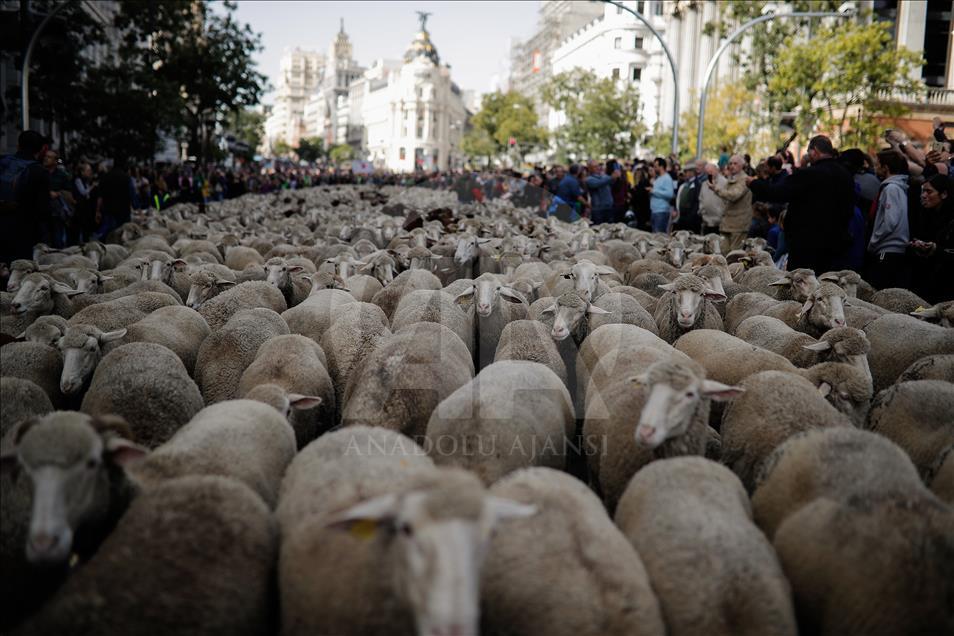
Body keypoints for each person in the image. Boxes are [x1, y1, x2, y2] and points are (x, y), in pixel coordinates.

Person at [748, 135, 855, 274]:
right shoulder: (846, 175)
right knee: (826, 287)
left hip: (806, 244)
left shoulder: (809, 174)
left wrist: (753, 183)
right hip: (836, 243)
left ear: (814, 151)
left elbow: (777, 193)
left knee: (800, 286)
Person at [0, 130, 51, 262]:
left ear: (18, 145)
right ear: (40, 150)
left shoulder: (3, 162)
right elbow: (43, 210)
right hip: (23, 232)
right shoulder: (39, 171)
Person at [866, 150, 911, 290]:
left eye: (878, 165)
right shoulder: (894, 188)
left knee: (881, 291)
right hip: (891, 248)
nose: (875, 168)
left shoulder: (891, 189)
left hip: (888, 248)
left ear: (886, 168)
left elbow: (890, 221)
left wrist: (874, 241)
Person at [909, 173, 954, 302]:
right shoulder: (927, 215)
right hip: (928, 282)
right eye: (923, 191)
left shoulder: (950, 220)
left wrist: (936, 249)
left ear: (944, 194)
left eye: (929, 192)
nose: (923, 195)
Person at [705, 154, 752, 252]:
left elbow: (734, 195)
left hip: (739, 224)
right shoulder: (731, 179)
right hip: (727, 223)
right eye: (730, 163)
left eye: (735, 163)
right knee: (723, 252)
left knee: (734, 255)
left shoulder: (745, 179)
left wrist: (715, 189)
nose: (732, 166)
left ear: (742, 165)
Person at [698, 162, 726, 236]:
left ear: (716, 170)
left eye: (711, 171)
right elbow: (701, 199)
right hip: (707, 221)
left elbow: (727, 200)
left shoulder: (725, 183)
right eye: (707, 172)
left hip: (720, 222)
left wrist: (722, 214)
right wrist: (703, 213)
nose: (710, 174)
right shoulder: (704, 184)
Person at [586, 160, 617, 225]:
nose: (598, 168)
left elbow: (612, 182)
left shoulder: (604, 176)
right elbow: (598, 183)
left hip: (608, 207)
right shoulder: (589, 179)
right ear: (590, 169)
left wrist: (615, 176)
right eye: (595, 167)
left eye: (598, 166)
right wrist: (611, 177)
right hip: (598, 209)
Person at [649, 157, 675, 233]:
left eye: (655, 167)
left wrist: (654, 191)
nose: (654, 169)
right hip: (655, 211)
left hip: (661, 212)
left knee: (659, 238)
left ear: (661, 167)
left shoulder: (667, 178)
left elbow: (669, 194)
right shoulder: (658, 178)